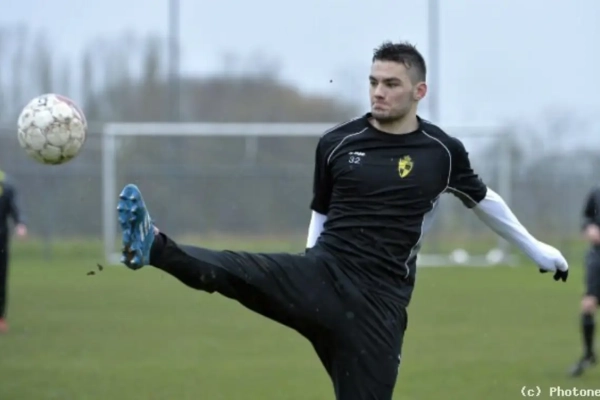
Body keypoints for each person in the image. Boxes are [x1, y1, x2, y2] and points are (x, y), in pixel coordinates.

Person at [116, 41, 569, 400]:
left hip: (378, 307)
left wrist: (536, 249)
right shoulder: (337, 142)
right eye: (373, 81)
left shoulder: (442, 152)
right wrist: (309, 263)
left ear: (419, 92)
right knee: (232, 270)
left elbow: (483, 200)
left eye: (391, 83)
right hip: (323, 274)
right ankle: (152, 244)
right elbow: (322, 209)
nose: (378, 91)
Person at [569, 186, 600, 376]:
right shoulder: (596, 194)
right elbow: (586, 218)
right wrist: (590, 228)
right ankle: (589, 355)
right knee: (588, 304)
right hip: (597, 257)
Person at [0, 169, 27, 333]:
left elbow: (15, 208)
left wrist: (20, 223)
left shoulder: (5, 185)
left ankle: (0, 317)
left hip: (1, 240)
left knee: (1, 278)